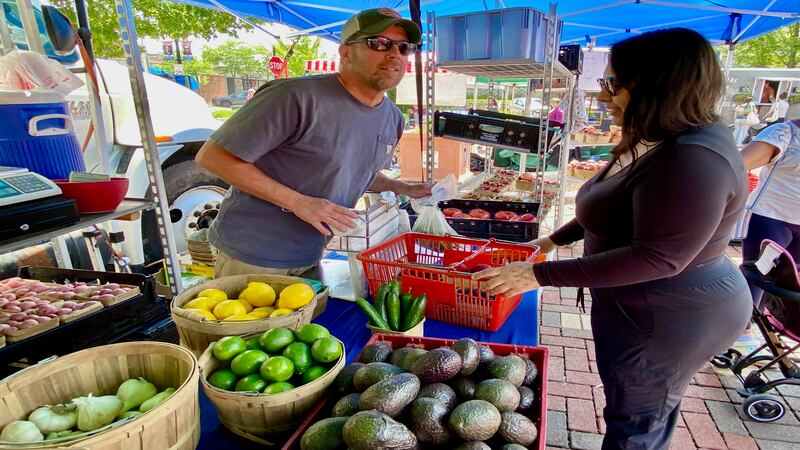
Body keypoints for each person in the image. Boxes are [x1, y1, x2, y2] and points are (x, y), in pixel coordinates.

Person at [473, 28, 751, 450]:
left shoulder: (693, 159)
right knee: (647, 409)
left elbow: (658, 257)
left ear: (657, 85)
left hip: (666, 317)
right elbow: (610, 207)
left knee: (636, 423)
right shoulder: (659, 138)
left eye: (613, 84)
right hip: (642, 305)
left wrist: (540, 275)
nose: (604, 96)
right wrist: (551, 241)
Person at [196, 8, 432, 278]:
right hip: (253, 253)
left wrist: (398, 186)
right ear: (345, 52)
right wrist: (298, 202)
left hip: (313, 251)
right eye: (379, 43)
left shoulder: (391, 116)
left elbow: (356, 169)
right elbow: (213, 157)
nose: (394, 55)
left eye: (404, 48)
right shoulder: (294, 96)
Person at [739, 117, 800, 309]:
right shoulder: (784, 134)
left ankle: (768, 334)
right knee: (753, 288)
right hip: (770, 220)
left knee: (788, 295)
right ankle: (742, 333)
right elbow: (735, 166)